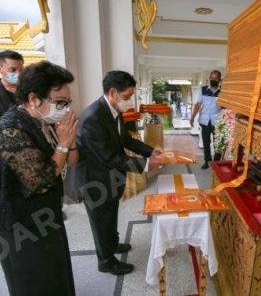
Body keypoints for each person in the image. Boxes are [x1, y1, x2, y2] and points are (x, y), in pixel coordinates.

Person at [74, 70, 164, 276]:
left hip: (109, 177)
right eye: (127, 96)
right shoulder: (92, 118)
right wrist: (147, 164)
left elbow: (126, 140)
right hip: (94, 180)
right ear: (113, 93)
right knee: (101, 220)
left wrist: (150, 151)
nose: (129, 100)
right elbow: (108, 157)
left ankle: (112, 244)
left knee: (110, 214)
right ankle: (105, 260)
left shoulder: (114, 111)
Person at [0, 60, 79, 296]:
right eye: (60, 103)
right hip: (22, 226)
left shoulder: (46, 122)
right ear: (34, 99)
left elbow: (72, 162)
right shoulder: (11, 129)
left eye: (68, 103)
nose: (65, 109)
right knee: (37, 283)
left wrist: (70, 141)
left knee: (58, 275)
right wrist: (63, 144)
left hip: (47, 215)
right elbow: (42, 182)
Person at [190, 70, 222, 169]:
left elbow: (226, 106)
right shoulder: (203, 90)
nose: (213, 80)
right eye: (211, 78)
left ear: (219, 80)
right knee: (206, 142)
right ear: (209, 78)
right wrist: (192, 117)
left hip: (217, 122)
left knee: (218, 144)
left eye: (215, 79)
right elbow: (198, 104)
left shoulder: (223, 92)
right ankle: (207, 162)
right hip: (204, 121)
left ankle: (216, 163)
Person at [0, 50, 24, 117]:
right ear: (0, 69)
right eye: (12, 70)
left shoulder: (31, 89)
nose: (19, 74)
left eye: (21, 69)